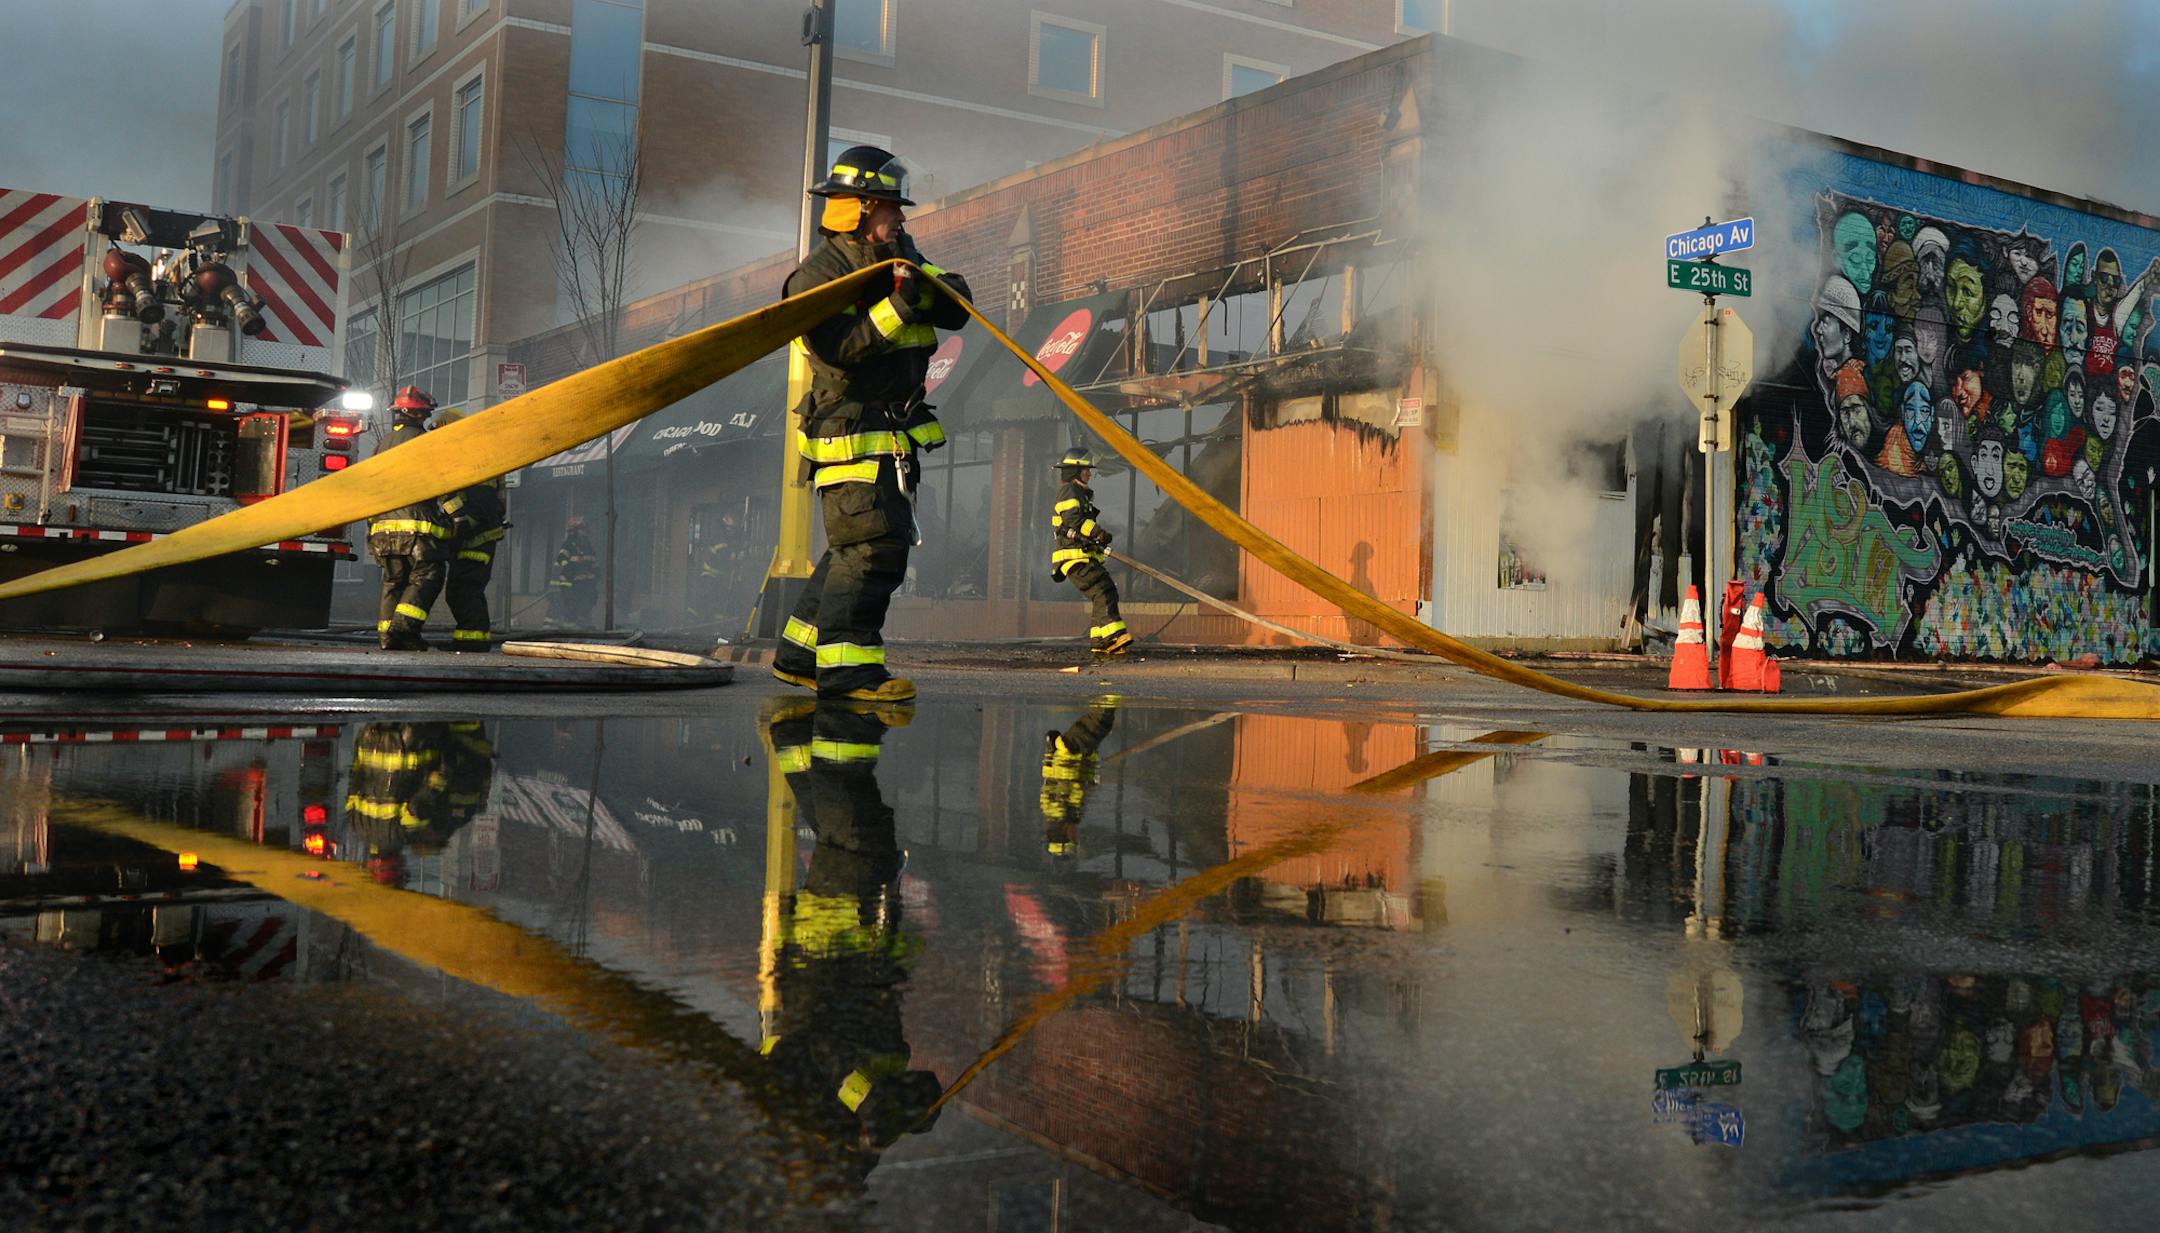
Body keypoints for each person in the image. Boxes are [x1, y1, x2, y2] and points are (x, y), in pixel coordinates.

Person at [770, 145, 972, 703]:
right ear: (858, 208)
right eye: (889, 208)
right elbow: (838, 349)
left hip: (888, 428)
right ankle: (849, 671)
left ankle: (799, 655)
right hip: (850, 428)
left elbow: (958, 307)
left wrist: (926, 285)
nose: (901, 217)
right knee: (874, 549)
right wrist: (903, 305)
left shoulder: (900, 254)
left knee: (853, 548)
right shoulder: (820, 276)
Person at [761, 699, 942, 1167]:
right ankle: (794, 740)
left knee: (862, 834)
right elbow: (922, 1083)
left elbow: (817, 1046)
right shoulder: (861, 1120)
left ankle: (836, 728)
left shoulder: (801, 1099)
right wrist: (914, 1111)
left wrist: (865, 1100)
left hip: (836, 936)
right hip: (857, 939)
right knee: (840, 833)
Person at [367, 387, 452, 650]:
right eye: (426, 413)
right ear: (418, 413)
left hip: (382, 528)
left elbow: (371, 486)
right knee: (428, 575)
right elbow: (443, 482)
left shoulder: (381, 445)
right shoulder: (426, 441)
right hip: (417, 527)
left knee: (393, 582)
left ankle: (387, 637)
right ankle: (404, 627)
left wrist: (371, 530)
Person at [429, 408, 507, 650]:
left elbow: (482, 502)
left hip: (477, 540)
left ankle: (472, 643)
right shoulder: (465, 455)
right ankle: (471, 641)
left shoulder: (475, 456)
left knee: (464, 591)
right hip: (470, 539)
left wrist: (459, 527)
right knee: (464, 591)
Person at [1049, 446, 1132, 655]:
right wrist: (1098, 532)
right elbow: (1073, 520)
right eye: (1085, 469)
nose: (1089, 473)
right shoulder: (1069, 490)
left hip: (1081, 556)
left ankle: (1100, 641)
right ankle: (1113, 635)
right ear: (1075, 471)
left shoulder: (1080, 493)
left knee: (1099, 593)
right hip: (1073, 557)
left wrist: (1096, 537)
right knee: (1105, 590)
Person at [1040, 697, 1118, 860]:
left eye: (1072, 838)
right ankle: (1103, 694)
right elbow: (1050, 777)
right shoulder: (1056, 812)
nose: (1075, 835)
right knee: (1101, 723)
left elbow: (1071, 784)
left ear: (1062, 832)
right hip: (1073, 752)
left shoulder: (1062, 812)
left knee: (1101, 722)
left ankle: (1107, 689)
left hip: (1073, 751)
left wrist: (1086, 782)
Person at [546, 517, 599, 628]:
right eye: (581, 529)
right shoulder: (568, 545)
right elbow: (561, 561)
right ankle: (565, 626)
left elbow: (593, 563)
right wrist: (569, 571)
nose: (583, 532)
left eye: (584, 529)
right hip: (569, 583)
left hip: (584, 584)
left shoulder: (587, 546)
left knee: (587, 601)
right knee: (568, 604)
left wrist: (596, 574)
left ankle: (578, 622)